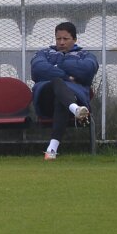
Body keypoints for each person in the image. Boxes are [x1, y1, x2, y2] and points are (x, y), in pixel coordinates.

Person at [31, 21, 98, 160]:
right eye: (58, 39)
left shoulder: (85, 55)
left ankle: (52, 150)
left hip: (74, 97)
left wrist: (58, 64)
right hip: (45, 99)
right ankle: (76, 110)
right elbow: (37, 69)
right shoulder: (44, 53)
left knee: (60, 99)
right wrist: (67, 76)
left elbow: (87, 70)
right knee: (57, 82)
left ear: (74, 39)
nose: (61, 42)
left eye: (65, 39)